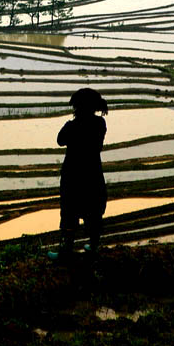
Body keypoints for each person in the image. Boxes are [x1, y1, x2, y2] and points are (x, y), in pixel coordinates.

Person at [56, 87, 108, 253]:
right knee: (93, 210)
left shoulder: (73, 126)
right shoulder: (100, 123)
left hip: (73, 174)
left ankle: (67, 249)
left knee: (70, 210)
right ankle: (93, 246)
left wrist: (70, 124)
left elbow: (60, 140)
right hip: (93, 173)